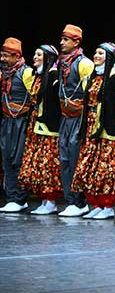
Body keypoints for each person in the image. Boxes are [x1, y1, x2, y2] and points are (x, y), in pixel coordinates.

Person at [71, 42, 115, 220]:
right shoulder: (92, 76)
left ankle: (107, 205)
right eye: (96, 52)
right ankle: (96, 204)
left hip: (106, 127)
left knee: (104, 168)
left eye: (101, 53)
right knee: (88, 167)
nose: (96, 56)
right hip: (91, 126)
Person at [18, 44, 63, 215]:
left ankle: (50, 201)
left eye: (39, 55)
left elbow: (55, 102)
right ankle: (44, 200)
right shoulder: (38, 76)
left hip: (47, 127)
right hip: (35, 126)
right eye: (35, 54)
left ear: (48, 58)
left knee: (47, 164)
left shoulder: (52, 75)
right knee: (37, 165)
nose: (35, 57)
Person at [56, 24, 95, 217]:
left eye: (66, 40)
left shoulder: (84, 63)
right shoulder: (61, 62)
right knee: (64, 159)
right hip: (65, 117)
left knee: (75, 157)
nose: (61, 43)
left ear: (76, 42)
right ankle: (70, 200)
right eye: (62, 39)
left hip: (79, 119)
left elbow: (92, 93)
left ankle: (80, 202)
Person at [0, 37, 34, 213]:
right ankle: (12, 196)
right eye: (2, 55)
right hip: (7, 121)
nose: (3, 59)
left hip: (22, 122)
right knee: (6, 157)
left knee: (18, 158)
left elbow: (35, 97)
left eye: (6, 56)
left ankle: (20, 198)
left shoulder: (26, 73)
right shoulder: (3, 74)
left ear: (16, 56)